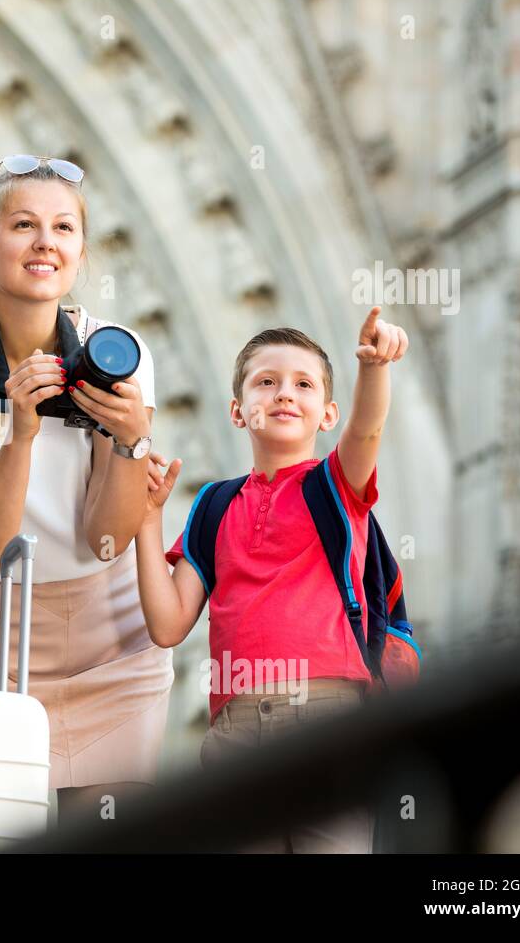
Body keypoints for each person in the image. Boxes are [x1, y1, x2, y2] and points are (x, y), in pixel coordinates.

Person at [0, 156, 173, 829]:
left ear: (80, 252)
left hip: (114, 648)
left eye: (62, 228)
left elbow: (107, 539)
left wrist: (130, 442)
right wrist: (19, 435)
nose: (44, 242)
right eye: (23, 225)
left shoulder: (119, 355)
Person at [136, 311, 409, 852]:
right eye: (266, 382)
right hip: (235, 728)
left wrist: (375, 368)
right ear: (238, 412)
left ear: (327, 413)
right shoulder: (212, 505)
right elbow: (168, 625)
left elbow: (368, 430)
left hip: (328, 718)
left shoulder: (335, 485)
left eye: (303, 385)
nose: (285, 394)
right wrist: (147, 520)